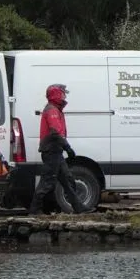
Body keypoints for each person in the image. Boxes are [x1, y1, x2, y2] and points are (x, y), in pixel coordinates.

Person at [29, 83, 87, 216]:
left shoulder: (55, 109)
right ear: (56, 94)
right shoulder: (52, 110)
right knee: (47, 181)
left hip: (55, 151)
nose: (64, 96)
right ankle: (34, 210)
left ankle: (79, 208)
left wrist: (64, 147)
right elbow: (55, 132)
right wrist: (67, 147)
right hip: (51, 151)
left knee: (67, 180)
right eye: (63, 94)